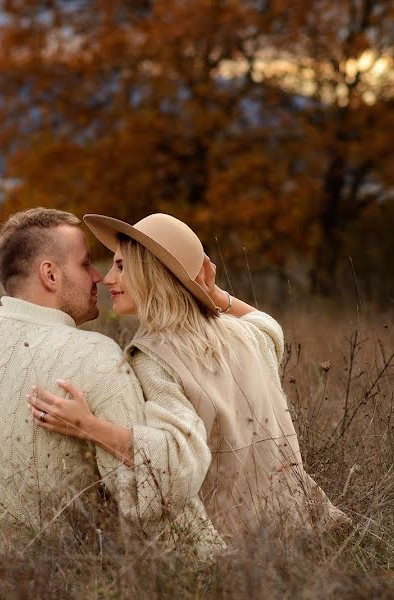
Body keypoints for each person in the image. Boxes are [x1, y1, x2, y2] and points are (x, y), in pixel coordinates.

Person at [28, 213, 350, 541]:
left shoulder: (155, 359)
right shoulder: (244, 334)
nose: (108, 278)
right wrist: (213, 293)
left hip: (243, 548)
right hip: (310, 527)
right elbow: (267, 325)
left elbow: (170, 458)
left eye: (122, 267)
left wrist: (87, 426)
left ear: (153, 272)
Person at [0, 208, 147, 551]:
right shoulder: (98, 356)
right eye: (85, 264)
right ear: (50, 274)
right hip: (54, 573)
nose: (98, 277)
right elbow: (145, 486)